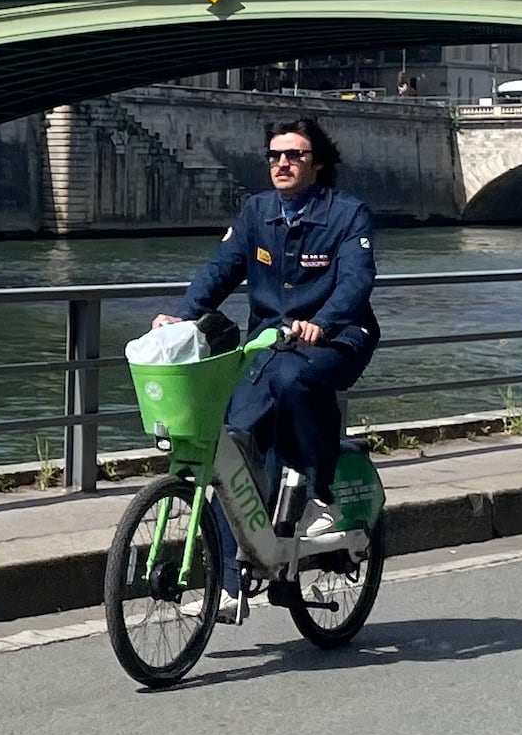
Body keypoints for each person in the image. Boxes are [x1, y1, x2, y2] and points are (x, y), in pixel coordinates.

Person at [156, 118, 379, 558]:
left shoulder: (347, 214)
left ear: (317, 163)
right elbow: (221, 269)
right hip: (268, 344)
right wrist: (182, 316)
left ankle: (319, 495)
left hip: (338, 338)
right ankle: (231, 574)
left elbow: (356, 280)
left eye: (295, 155)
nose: (283, 163)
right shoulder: (256, 212)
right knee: (232, 434)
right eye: (275, 155)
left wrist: (325, 321)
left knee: (295, 381)